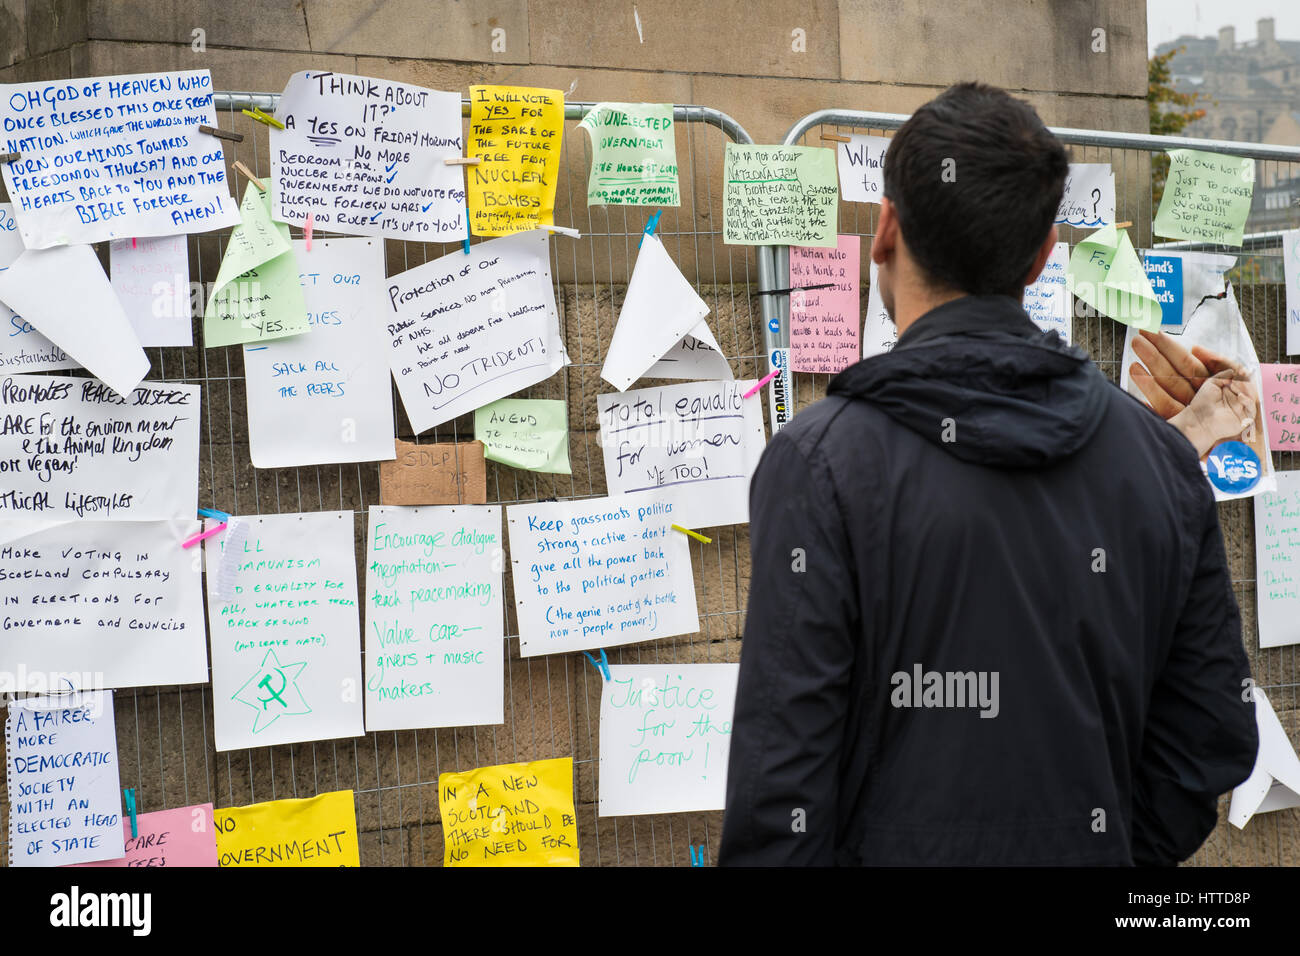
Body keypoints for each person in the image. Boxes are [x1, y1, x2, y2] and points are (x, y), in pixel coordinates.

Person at [719, 82, 1259, 866]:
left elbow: (781, 793)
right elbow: (1207, 741)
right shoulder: (1159, 464)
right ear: (1043, 256)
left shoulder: (820, 464)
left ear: (885, 230)